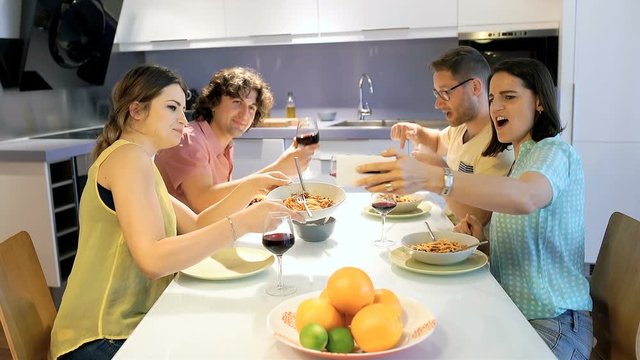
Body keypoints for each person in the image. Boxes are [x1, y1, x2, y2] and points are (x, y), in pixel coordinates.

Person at [50, 64, 304, 360]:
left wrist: (252, 187)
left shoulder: (140, 160)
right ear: (136, 110)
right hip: (101, 338)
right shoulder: (128, 158)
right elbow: (153, 260)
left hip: (125, 325)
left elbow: (196, 224)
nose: (184, 120)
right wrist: (242, 223)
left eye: (183, 109)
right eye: (172, 108)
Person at [356, 58, 592, 359]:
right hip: (514, 313)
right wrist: (483, 237)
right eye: (493, 99)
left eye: (509, 97)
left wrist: (437, 178)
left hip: (555, 323)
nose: (496, 108)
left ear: (540, 102)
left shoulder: (555, 151)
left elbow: (527, 197)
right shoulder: (520, 161)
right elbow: (528, 232)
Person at [155, 67, 319, 213]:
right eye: (237, 102)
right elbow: (203, 203)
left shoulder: (226, 144)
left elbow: (223, 202)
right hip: (180, 241)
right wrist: (275, 170)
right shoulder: (189, 140)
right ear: (213, 103)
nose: (244, 113)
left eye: (251, 107)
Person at [390, 46, 514, 226]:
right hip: (448, 225)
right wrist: (416, 131)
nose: (438, 103)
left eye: (445, 92)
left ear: (475, 87)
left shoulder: (498, 146)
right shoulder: (461, 126)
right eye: (437, 93)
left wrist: (440, 173)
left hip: (471, 245)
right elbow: (439, 142)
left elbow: (477, 219)